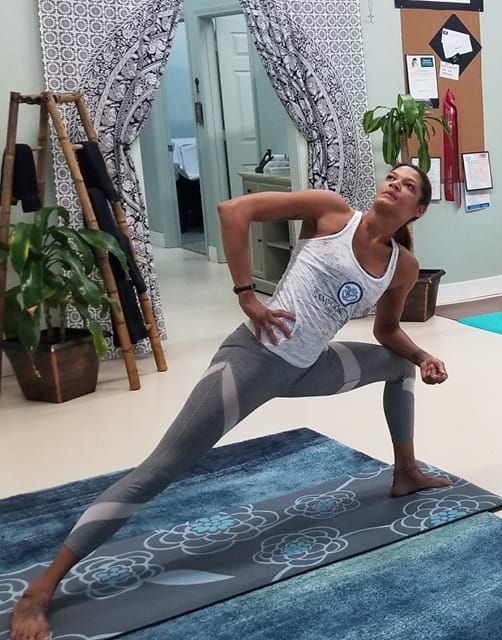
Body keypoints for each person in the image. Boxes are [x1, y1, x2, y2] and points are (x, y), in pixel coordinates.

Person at [9, 165, 452, 640]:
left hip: (309, 365)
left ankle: (405, 472)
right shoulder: (331, 213)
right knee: (159, 470)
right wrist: (246, 295)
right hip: (253, 361)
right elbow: (233, 211)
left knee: (398, 364)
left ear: (418, 210)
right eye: (392, 177)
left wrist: (424, 355)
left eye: (408, 186)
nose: (394, 185)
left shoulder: (401, 266)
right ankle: (40, 592)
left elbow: (387, 332)